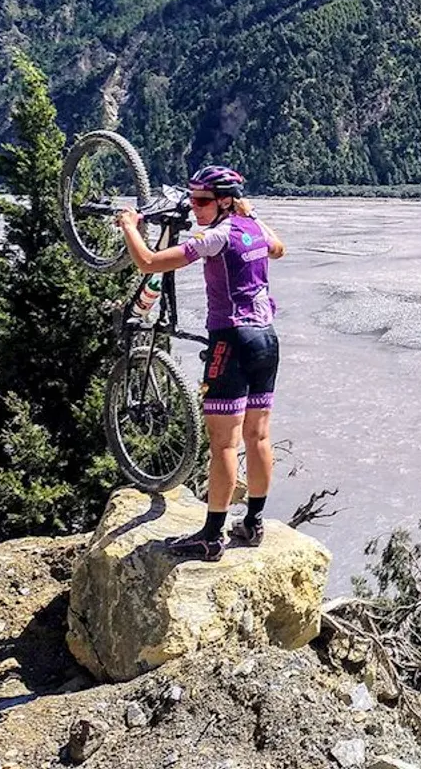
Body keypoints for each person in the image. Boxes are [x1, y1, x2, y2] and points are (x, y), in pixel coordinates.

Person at [116, 165, 285, 561]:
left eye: (203, 201)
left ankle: (211, 536)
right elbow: (279, 249)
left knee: (223, 442)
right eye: (191, 199)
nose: (194, 207)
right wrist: (251, 212)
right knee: (257, 436)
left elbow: (149, 263)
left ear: (225, 201)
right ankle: (253, 522)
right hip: (267, 338)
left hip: (231, 340)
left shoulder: (217, 237)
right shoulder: (253, 228)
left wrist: (128, 226)